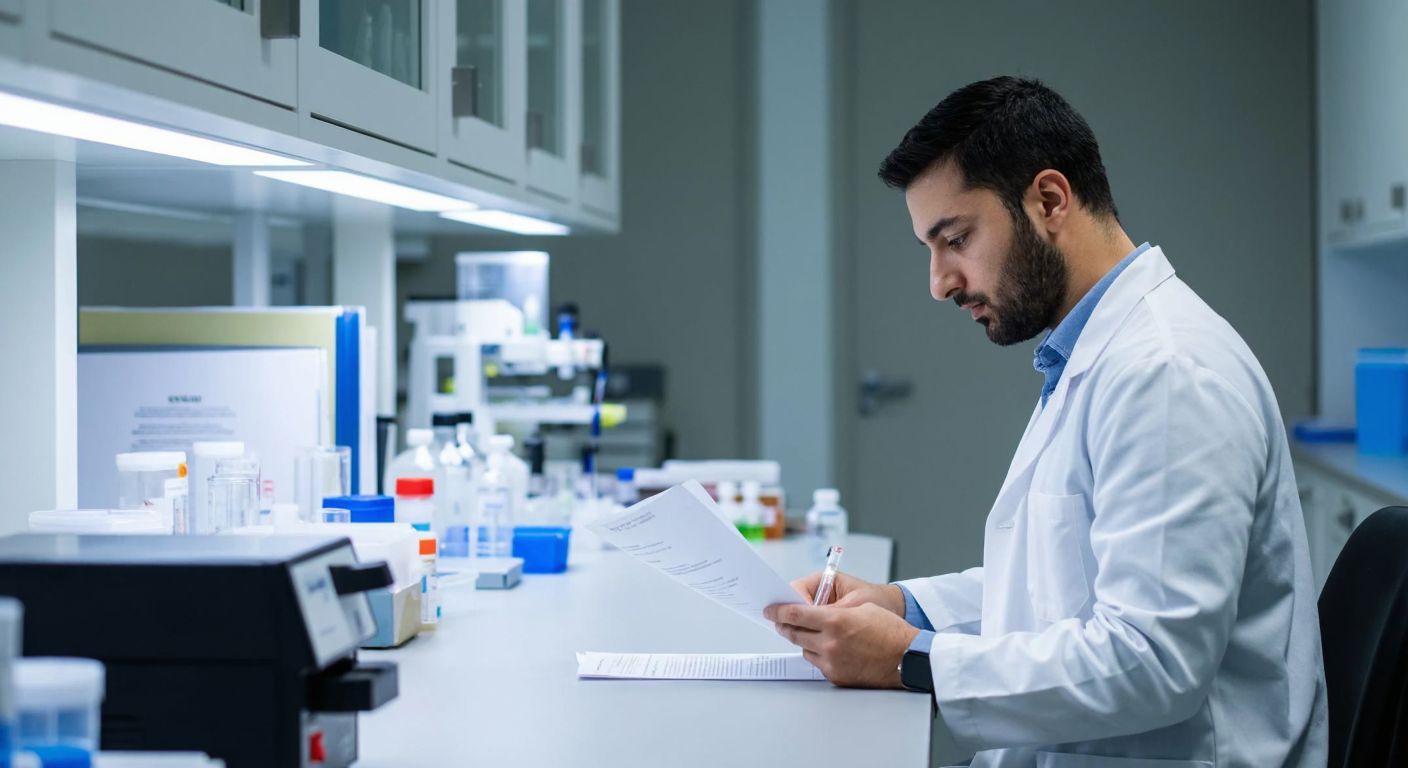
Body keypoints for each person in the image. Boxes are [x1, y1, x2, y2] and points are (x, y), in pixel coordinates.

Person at [764, 76, 1327, 767]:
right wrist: (901, 608)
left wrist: (912, 661)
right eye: (930, 250)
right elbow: (1059, 591)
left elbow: (1153, 661)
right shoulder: (1092, 354)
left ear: (1049, 200)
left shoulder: (1168, 373)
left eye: (956, 239)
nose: (940, 282)